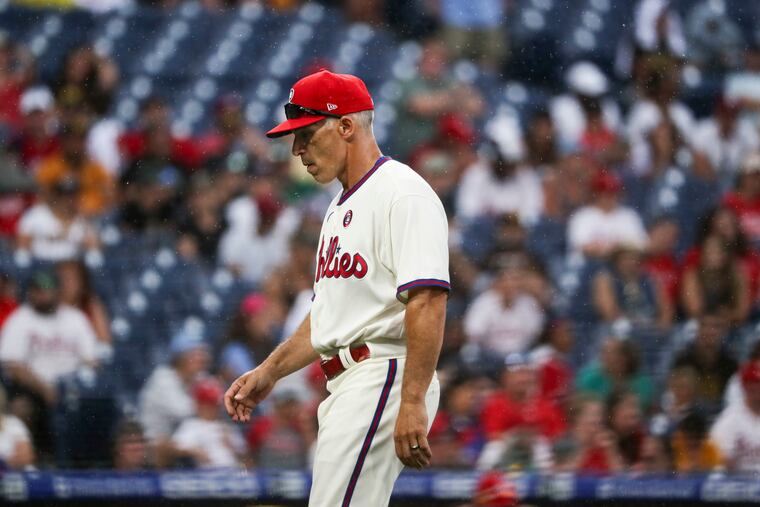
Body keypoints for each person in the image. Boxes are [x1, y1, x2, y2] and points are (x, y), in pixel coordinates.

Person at [224, 70, 450, 506]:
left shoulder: (402, 193)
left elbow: (427, 300)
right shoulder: (337, 208)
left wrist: (412, 400)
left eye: (307, 134)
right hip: (350, 383)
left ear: (346, 126)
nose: (297, 150)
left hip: (383, 372)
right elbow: (328, 316)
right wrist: (269, 371)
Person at [0, 269, 98, 457]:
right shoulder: (20, 320)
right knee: (21, 408)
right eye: (37, 290)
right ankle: (33, 463)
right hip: (33, 391)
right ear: (29, 292)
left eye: (46, 289)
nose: (41, 294)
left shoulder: (75, 319)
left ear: (57, 292)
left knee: (97, 405)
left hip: (74, 389)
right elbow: (12, 366)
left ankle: (86, 464)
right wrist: (45, 389)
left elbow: (91, 361)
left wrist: (72, 386)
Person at [710, 360, 760, 473]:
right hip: (740, 484)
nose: (757, 389)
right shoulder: (730, 419)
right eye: (753, 384)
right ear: (745, 387)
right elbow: (717, 461)